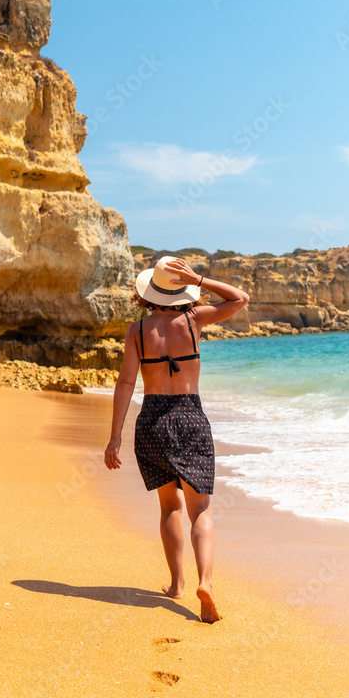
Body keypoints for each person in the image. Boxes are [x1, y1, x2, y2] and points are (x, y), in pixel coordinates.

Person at [104, 255, 250, 623]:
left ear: (149, 292)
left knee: (170, 507)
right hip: (190, 417)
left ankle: (176, 584)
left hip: (151, 420)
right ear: (181, 289)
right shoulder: (194, 318)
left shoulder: (137, 331)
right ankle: (207, 583)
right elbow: (240, 299)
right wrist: (199, 279)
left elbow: (125, 382)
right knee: (200, 509)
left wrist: (114, 437)